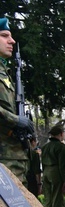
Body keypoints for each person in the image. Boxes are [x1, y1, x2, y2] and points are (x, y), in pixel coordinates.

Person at [0, 17, 32, 184]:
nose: (11, 41)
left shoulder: (4, 72)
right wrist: (16, 120)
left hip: (13, 157)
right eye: (5, 35)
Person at [41, 124, 65, 207]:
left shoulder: (44, 146)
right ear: (61, 134)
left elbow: (42, 162)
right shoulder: (61, 147)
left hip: (46, 171)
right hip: (56, 172)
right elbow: (62, 165)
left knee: (48, 198)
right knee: (58, 198)